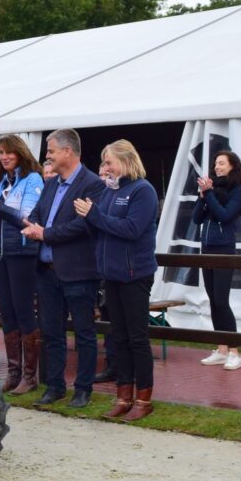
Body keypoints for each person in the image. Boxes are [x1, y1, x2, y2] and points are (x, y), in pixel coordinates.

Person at [74, 140, 159, 421]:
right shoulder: (111, 192)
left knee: (137, 338)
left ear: (125, 160)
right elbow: (101, 229)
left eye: (109, 162)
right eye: (104, 163)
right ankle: (124, 395)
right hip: (111, 275)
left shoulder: (142, 191)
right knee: (118, 338)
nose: (105, 168)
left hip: (135, 274)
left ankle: (144, 399)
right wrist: (88, 218)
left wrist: (95, 215)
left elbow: (132, 229)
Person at [20, 128, 103, 408]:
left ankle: (83, 389)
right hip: (46, 272)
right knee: (52, 333)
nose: (48, 156)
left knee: (84, 333)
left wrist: (46, 234)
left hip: (78, 272)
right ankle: (54, 386)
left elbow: (84, 225)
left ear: (68, 152)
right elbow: (37, 214)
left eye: (52, 151)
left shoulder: (92, 184)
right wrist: (32, 226)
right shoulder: (52, 184)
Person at [0, 135, 44, 394]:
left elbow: (25, 219)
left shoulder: (32, 179)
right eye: (0, 153)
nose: (4, 157)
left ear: (20, 154)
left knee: (24, 310)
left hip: (21, 252)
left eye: (8, 153)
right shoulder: (1, 181)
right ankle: (14, 372)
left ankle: (30, 374)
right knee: (7, 312)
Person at [192, 150, 241, 370]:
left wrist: (210, 195)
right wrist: (203, 196)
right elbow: (197, 218)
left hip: (223, 249)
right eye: (215, 163)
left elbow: (225, 216)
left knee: (221, 300)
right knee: (212, 300)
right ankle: (222, 348)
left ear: (233, 166)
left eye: (221, 163)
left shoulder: (238, 191)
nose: (217, 167)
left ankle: (235, 351)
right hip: (206, 250)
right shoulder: (211, 189)